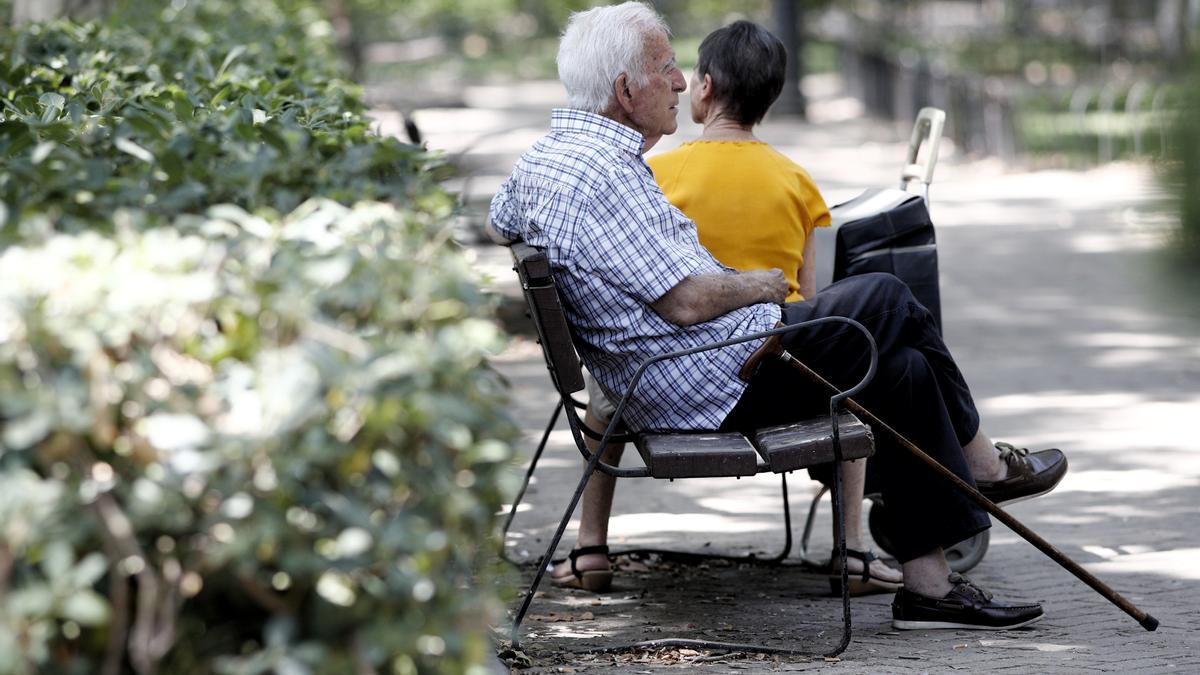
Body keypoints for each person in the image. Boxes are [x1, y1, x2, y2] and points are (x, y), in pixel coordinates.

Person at [488, 1, 1066, 630]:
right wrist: (760, 285)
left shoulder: (547, 161)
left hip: (688, 370)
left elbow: (500, 221)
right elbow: (683, 302)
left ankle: (928, 589)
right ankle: (983, 465)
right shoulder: (602, 176)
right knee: (889, 295)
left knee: (902, 370)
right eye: (666, 67)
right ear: (626, 90)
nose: (682, 81)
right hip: (710, 381)